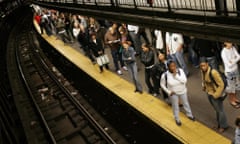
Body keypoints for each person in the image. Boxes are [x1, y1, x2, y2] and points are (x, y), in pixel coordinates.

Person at [160, 60, 195, 126]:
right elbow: (162, 85)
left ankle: (190, 115)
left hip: (183, 91)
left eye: (174, 66)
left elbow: (184, 81)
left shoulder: (180, 71)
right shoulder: (165, 75)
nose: (173, 68)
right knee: (175, 106)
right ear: (168, 67)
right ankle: (177, 119)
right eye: (171, 66)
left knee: (186, 103)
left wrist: (176, 76)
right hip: (173, 94)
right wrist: (168, 91)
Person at [200, 57, 228, 133]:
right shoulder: (202, 71)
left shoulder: (213, 72)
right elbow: (204, 80)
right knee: (217, 110)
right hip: (209, 93)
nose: (203, 67)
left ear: (207, 64)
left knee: (220, 110)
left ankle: (223, 126)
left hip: (215, 94)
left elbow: (221, 84)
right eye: (201, 66)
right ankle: (219, 124)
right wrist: (204, 87)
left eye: (204, 65)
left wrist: (216, 95)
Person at [221, 41, 240, 108]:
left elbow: (239, 56)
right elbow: (229, 65)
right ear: (225, 43)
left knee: (235, 86)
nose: (231, 44)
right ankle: (232, 101)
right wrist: (235, 59)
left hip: (235, 70)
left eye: (231, 42)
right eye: (229, 42)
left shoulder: (233, 48)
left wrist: (232, 60)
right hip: (230, 73)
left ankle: (235, 99)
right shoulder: (223, 52)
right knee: (231, 88)